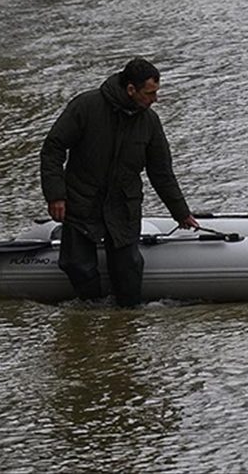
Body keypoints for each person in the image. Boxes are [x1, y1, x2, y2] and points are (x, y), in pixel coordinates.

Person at [40, 58, 198, 307]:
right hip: (82, 201)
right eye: (150, 93)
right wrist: (55, 195)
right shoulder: (86, 106)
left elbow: (161, 172)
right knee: (77, 265)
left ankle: (124, 328)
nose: (154, 99)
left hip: (123, 205)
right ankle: (91, 312)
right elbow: (53, 148)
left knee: (129, 270)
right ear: (131, 89)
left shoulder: (150, 123)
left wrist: (181, 212)